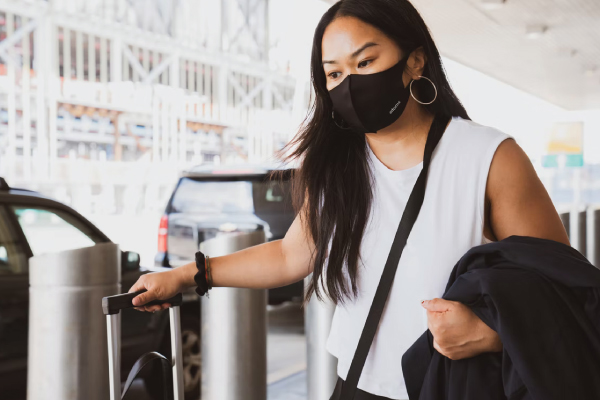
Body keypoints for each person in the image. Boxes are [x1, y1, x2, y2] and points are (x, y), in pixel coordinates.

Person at [128, 1, 570, 399]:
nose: (350, 84)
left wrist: (492, 332)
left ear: (415, 61)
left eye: (366, 61)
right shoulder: (338, 166)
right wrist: (187, 275)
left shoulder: (489, 157)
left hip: (458, 386)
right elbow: (289, 256)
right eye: (335, 73)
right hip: (356, 384)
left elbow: (560, 290)